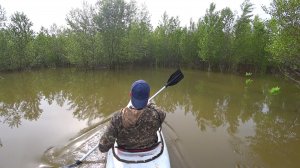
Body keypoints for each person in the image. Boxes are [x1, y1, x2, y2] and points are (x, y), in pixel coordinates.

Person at [98, 80, 166, 152]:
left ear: (130, 94)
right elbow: (160, 111)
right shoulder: (158, 114)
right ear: (148, 96)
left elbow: (102, 148)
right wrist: (150, 104)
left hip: (124, 152)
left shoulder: (117, 118)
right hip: (150, 149)